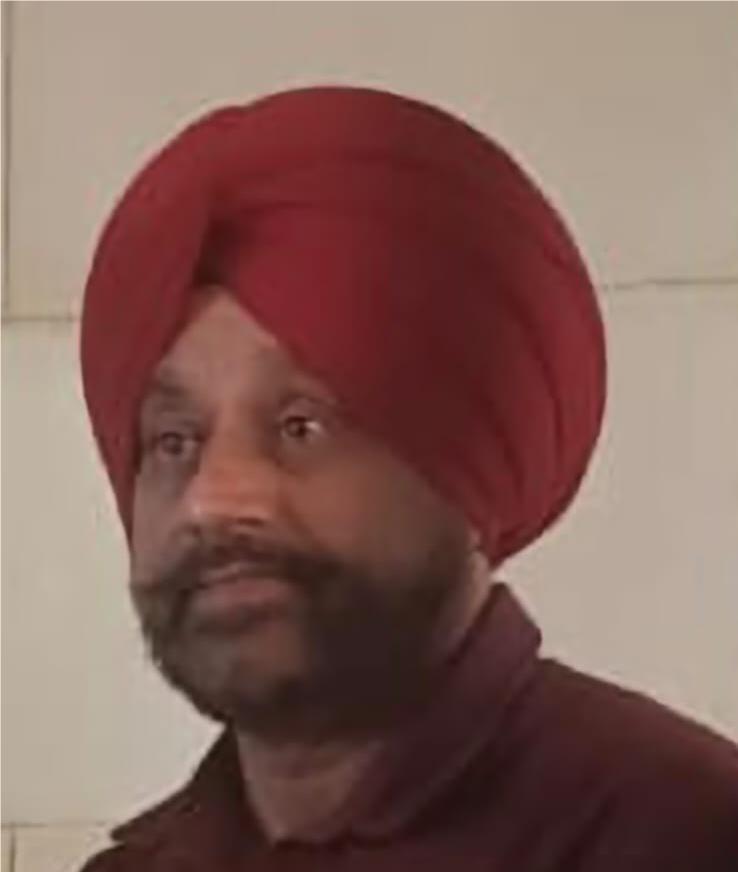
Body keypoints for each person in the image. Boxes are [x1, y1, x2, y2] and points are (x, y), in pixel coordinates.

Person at [78, 86, 738, 871]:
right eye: (173, 442)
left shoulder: (685, 832)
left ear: (463, 467)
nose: (213, 497)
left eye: (301, 426)